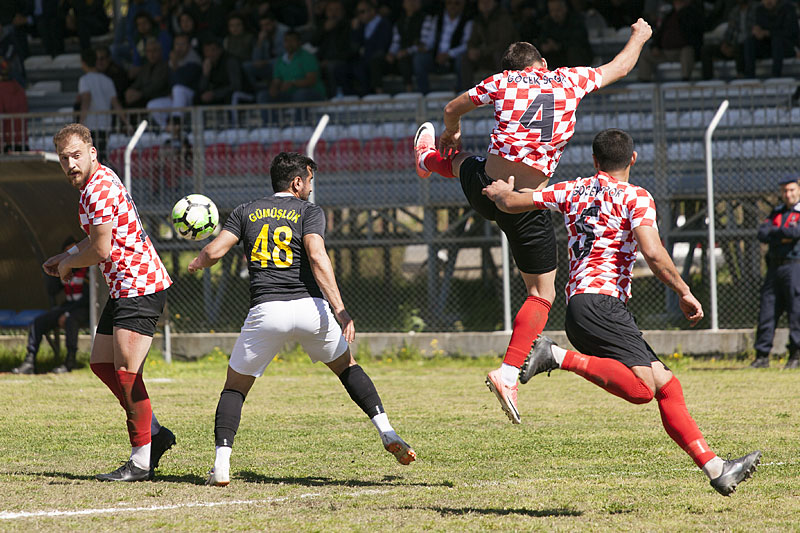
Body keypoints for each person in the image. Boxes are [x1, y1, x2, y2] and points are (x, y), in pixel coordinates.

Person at [482, 128, 761, 497]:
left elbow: (516, 202)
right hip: (602, 304)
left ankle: (716, 469)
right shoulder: (636, 197)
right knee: (643, 388)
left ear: (595, 160)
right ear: (632, 159)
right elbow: (655, 253)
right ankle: (555, 355)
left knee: (666, 385)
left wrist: (499, 192)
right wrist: (684, 290)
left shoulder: (571, 189)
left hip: (582, 305)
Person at [413, 19, 652, 424]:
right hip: (522, 204)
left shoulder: (501, 83)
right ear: (542, 63)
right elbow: (620, 67)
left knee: (466, 162)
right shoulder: (566, 81)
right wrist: (640, 36)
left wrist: (451, 131)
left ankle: (426, 159)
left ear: (510, 70)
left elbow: (452, 108)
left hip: (486, 187)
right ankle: (508, 373)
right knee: (541, 293)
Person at [188, 152, 416, 486]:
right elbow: (317, 256)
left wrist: (196, 262)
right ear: (297, 181)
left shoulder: (245, 210)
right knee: (348, 368)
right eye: (309, 181)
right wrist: (341, 310)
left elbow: (214, 252)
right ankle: (387, 431)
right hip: (311, 309)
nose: (310, 187)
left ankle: (221, 465)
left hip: (267, 310)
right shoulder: (308, 211)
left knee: (235, 389)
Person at [45, 123, 175, 482]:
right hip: (124, 288)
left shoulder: (97, 189)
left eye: (76, 155)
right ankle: (156, 434)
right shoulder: (96, 182)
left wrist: (70, 263)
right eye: (63, 158)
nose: (70, 163)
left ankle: (140, 461)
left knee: (127, 375)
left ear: (92, 153)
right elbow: (96, 239)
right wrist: (66, 255)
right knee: (102, 363)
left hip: (139, 286)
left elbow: (101, 249)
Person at [12, 237, 89, 375]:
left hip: (84, 308)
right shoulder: (68, 269)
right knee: (38, 322)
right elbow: (52, 290)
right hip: (68, 306)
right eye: (67, 252)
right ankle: (30, 361)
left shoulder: (88, 270)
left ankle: (70, 361)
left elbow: (89, 298)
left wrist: (66, 314)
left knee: (71, 320)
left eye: (73, 251)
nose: (70, 255)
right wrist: (55, 271)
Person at [750, 176, 800, 369]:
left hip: (795, 266)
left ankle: (795, 355)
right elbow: (762, 233)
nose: (788, 194)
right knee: (767, 310)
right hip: (774, 268)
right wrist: (784, 234)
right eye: (784, 191)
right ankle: (762, 356)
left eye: (791, 190)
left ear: (798, 189)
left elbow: (796, 234)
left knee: (796, 310)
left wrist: (777, 234)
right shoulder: (777, 212)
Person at [77, 48, 127, 164]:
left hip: (91, 124)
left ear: (83, 63)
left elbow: (86, 100)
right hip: (105, 123)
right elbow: (115, 103)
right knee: (102, 153)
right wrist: (126, 122)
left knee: (92, 157)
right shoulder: (107, 80)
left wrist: (80, 123)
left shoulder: (84, 80)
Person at [636, 0, 704, 81]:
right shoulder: (670, 15)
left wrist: (682, 11)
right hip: (665, 52)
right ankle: (644, 82)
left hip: (682, 51)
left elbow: (693, 34)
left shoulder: (693, 14)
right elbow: (660, 33)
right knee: (646, 55)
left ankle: (686, 79)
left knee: (688, 51)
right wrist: (655, 46)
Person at [742, 0, 799, 78]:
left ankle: (776, 76)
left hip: (787, 47)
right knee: (749, 41)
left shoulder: (788, 8)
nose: (768, 1)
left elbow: (791, 32)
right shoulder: (760, 10)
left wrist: (768, 33)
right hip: (769, 47)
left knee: (777, 41)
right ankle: (749, 76)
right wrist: (757, 32)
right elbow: (759, 28)